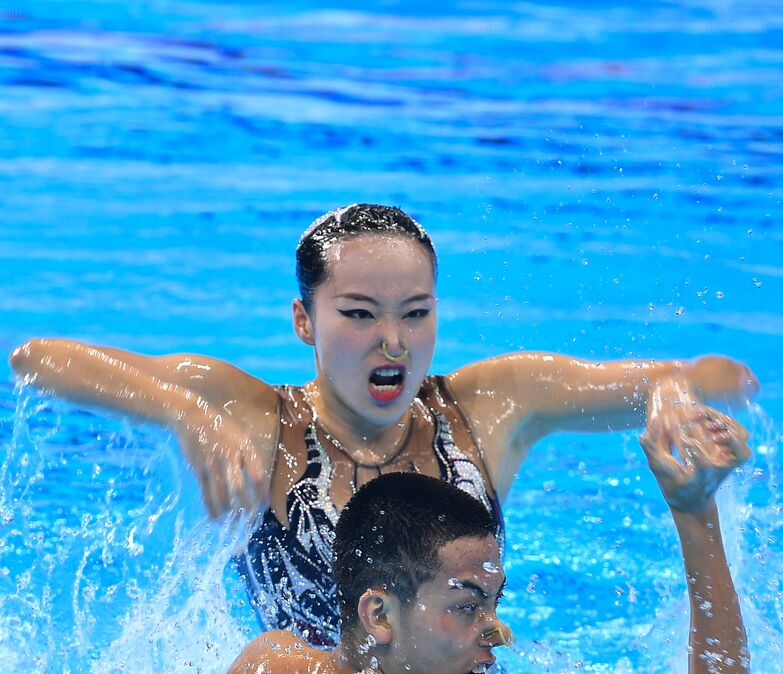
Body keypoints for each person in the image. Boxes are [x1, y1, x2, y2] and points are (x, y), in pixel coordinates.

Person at [10, 204, 758, 647]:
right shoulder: (258, 418)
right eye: (360, 314)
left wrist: (670, 394)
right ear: (305, 321)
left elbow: (723, 377)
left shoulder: (488, 407)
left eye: (416, 313)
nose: (393, 342)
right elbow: (37, 359)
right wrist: (185, 413)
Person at [200, 408, 754, 674]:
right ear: (379, 616)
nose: (497, 632)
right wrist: (696, 513)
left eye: (495, 602)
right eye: (467, 607)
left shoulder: (263, 665)